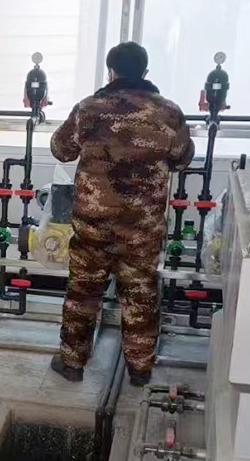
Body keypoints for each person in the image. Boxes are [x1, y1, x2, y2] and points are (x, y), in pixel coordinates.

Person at [49, 42, 194, 386]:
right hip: (141, 228)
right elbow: (182, 157)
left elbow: (61, 149)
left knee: (84, 293)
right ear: (145, 72)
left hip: (93, 225)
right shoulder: (168, 112)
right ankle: (140, 370)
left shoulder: (89, 108)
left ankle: (72, 363)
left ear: (110, 72)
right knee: (141, 295)